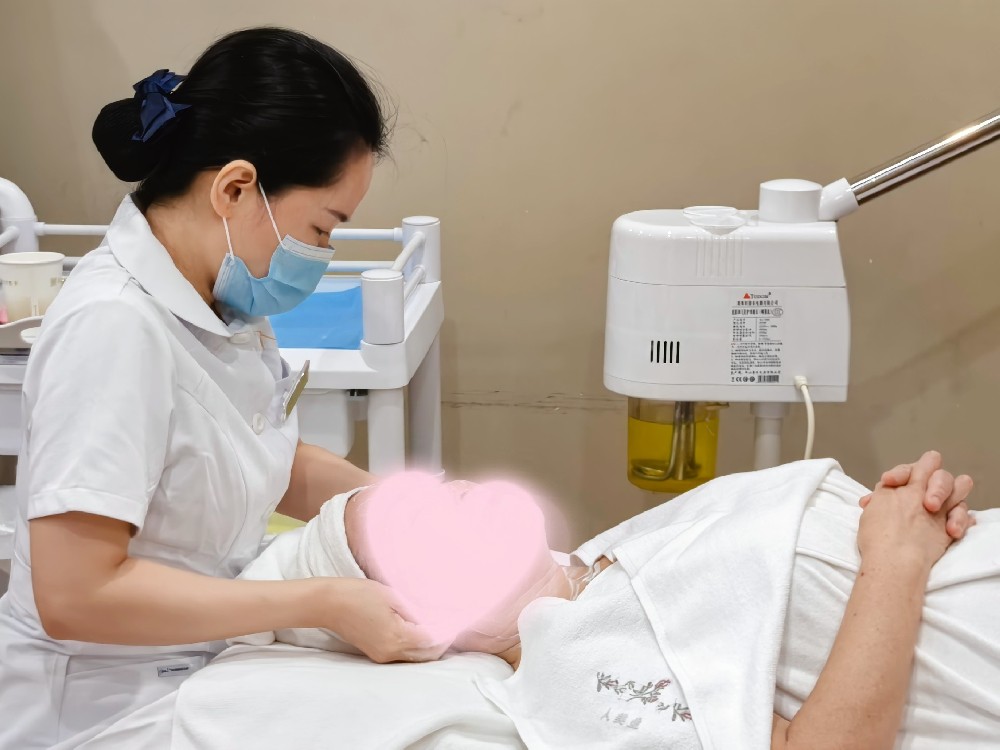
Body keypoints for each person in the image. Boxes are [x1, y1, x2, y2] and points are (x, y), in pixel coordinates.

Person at [0, 27, 445, 749]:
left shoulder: (219, 297)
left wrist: (404, 509)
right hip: (99, 708)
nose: (321, 253)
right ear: (235, 189)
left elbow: (257, 456)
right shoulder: (114, 326)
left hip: (197, 669)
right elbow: (76, 594)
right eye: (322, 227)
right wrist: (325, 602)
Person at [227, 452, 996, 749]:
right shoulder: (573, 668)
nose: (450, 494)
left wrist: (910, 507)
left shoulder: (614, 554)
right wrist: (895, 560)